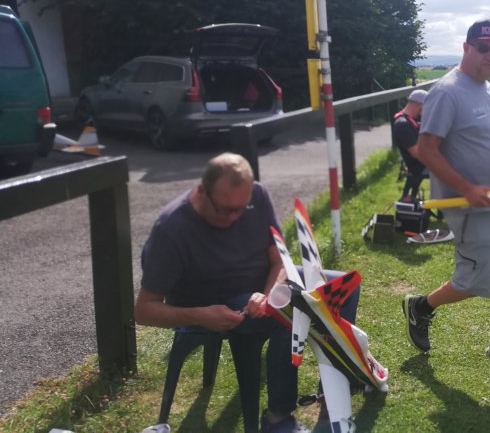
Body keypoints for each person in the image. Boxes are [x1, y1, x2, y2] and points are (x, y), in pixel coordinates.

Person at [135, 153, 357, 432]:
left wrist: (269, 293)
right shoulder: (171, 229)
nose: (235, 217)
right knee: (288, 315)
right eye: (226, 210)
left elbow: (279, 260)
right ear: (202, 192)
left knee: (343, 287)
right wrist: (200, 316)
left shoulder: (258, 196)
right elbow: (144, 311)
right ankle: (278, 418)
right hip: (214, 301)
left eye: (242, 209)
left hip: (263, 285)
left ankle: (333, 387)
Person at [401, 18, 490, 367]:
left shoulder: (486, 87)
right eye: (483, 48)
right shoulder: (447, 92)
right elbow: (427, 150)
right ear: (466, 48)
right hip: (469, 205)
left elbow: (488, 141)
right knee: (471, 282)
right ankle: (421, 306)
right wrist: (467, 187)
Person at [392, 89, 429, 200]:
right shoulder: (402, 124)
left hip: (423, 164)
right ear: (419, 105)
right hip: (420, 167)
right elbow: (416, 153)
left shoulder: (412, 120)